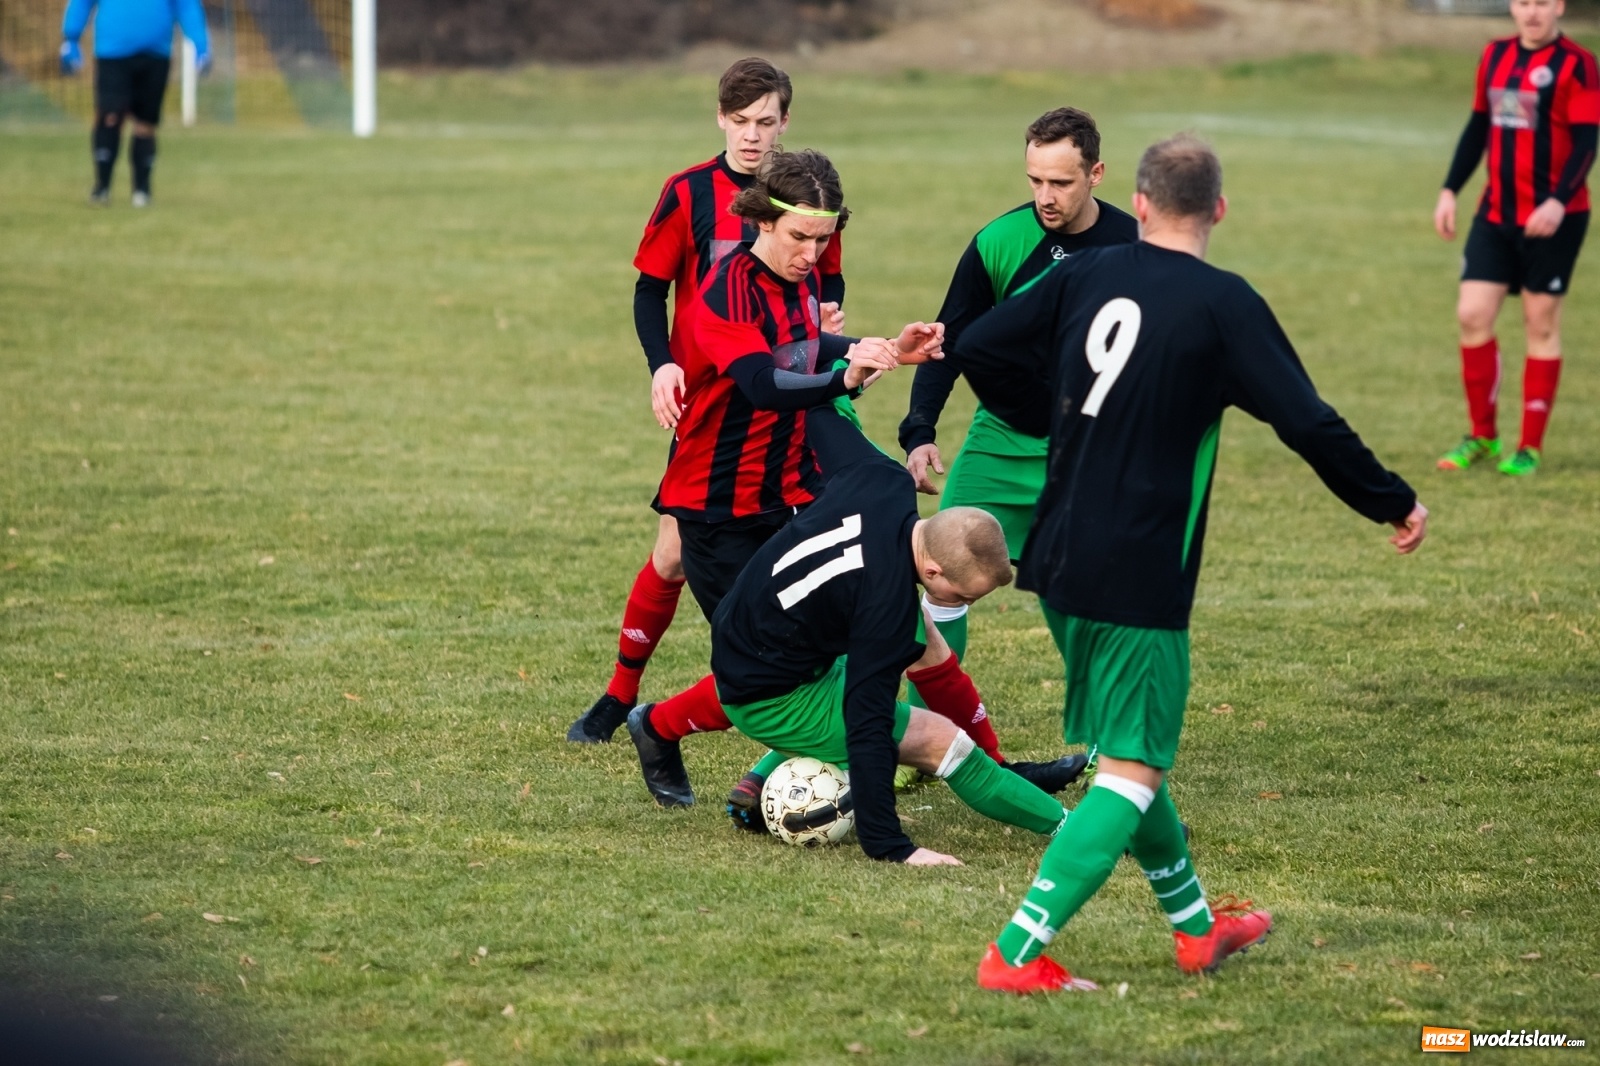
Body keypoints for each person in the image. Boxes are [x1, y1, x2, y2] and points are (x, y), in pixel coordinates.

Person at [949, 135, 1429, 992]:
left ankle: (1197, 930)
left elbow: (979, 344)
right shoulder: (1223, 304)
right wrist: (1390, 498)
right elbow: (1308, 422)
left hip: (1056, 554)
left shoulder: (1086, 273)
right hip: (1137, 572)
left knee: (1128, 750)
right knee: (1132, 770)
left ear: (1138, 203)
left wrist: (1053, 418)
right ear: (1219, 210)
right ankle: (1014, 954)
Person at [570, 149, 941, 756]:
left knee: (833, 634)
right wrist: (844, 380)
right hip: (719, 508)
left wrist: (886, 348)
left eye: (823, 240)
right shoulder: (725, 291)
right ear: (763, 220)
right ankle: (658, 728)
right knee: (768, 666)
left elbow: (803, 344)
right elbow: (763, 384)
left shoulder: (800, 276)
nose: (812, 255)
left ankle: (824, 769)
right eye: (800, 237)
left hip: (791, 490)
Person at [630, 404, 1073, 865]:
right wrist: (891, 846)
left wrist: (844, 379)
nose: (965, 604)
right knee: (942, 741)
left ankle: (748, 769)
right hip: (769, 696)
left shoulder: (884, 479)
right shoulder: (886, 611)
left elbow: (819, 413)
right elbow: (868, 728)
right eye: (963, 596)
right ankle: (1074, 827)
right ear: (934, 570)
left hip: (751, 627)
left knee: (921, 645)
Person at [567, 58, 848, 745]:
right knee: (673, 555)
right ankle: (622, 697)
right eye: (741, 121)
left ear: (785, 122)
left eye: (766, 122)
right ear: (720, 118)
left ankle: (797, 698)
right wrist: (662, 364)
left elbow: (830, 279)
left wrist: (826, 328)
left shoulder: (806, 196)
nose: (752, 136)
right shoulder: (688, 192)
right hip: (715, 397)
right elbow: (649, 290)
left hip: (787, 393)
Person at [898, 107, 1139, 686]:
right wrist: (920, 430)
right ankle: (933, 729)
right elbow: (947, 341)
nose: (1045, 197)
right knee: (940, 569)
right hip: (1001, 440)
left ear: (1096, 173)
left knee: (1083, 598)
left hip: (1090, 449)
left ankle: (1110, 735)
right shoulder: (1000, 241)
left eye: (1061, 182)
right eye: (1035, 180)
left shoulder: (1135, 246)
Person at [1433, 0, 1598, 476]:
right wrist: (1449, 189)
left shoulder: (1578, 64)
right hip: (1496, 214)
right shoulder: (1495, 55)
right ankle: (1483, 436)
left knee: (1539, 325)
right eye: (1524, 2)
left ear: (1559, 6)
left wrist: (1558, 201)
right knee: (1472, 314)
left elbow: (1587, 141)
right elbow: (1478, 126)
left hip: (1555, 219)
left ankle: (1529, 447)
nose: (1532, 13)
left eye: (1542, 2)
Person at [59, 0, 211, 207]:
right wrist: (71, 38)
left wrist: (201, 43)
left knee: (145, 123)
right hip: (112, 52)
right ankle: (102, 187)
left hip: (156, 54)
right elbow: (82, 3)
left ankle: (142, 190)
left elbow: (186, 5)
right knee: (110, 116)